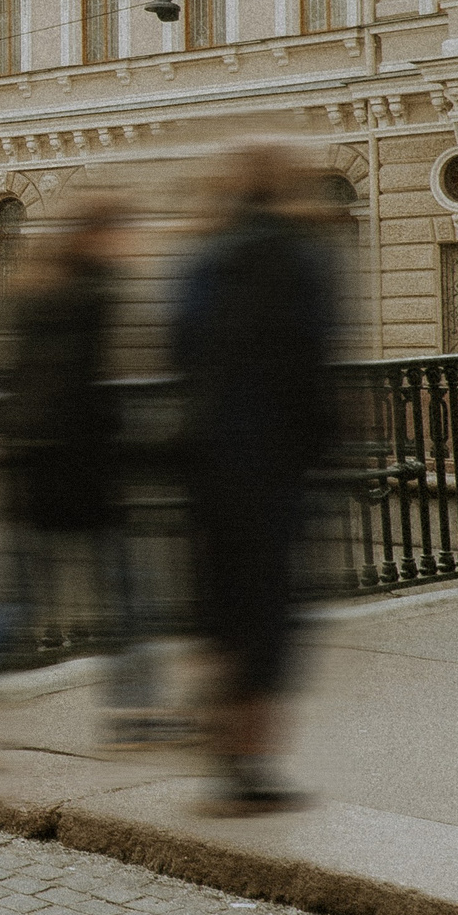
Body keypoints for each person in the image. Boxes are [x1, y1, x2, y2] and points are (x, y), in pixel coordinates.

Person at [0, 191, 171, 764]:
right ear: (101, 237)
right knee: (112, 600)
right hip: (79, 476)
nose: (133, 244)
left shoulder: (43, 293)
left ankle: (133, 713)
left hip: (44, 474)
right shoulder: (90, 297)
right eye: (125, 233)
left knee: (46, 602)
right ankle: (134, 715)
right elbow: (82, 394)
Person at [172, 141, 341, 815]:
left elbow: (178, 346)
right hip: (275, 460)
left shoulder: (205, 257)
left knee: (221, 602)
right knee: (271, 610)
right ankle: (252, 764)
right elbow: (316, 355)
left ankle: (218, 725)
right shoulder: (302, 257)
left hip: (208, 455)